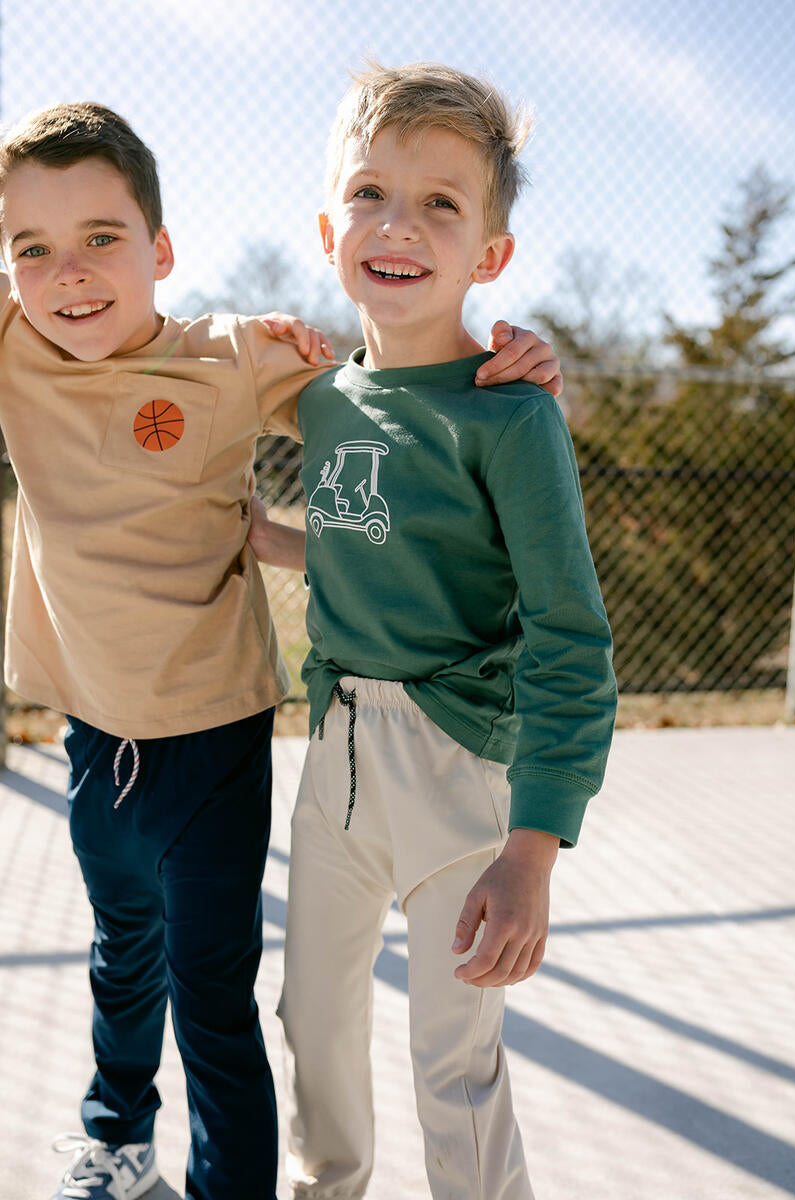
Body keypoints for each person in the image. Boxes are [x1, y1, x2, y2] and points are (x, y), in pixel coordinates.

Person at [0, 102, 562, 1200]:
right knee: (121, 958)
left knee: (214, 994)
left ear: (160, 251)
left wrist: (526, 375)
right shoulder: (17, 350)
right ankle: (115, 1142)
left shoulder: (234, 359)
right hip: (89, 736)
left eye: (103, 238)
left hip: (212, 744)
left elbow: (392, 421)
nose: (69, 273)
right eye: (33, 248)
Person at [249, 63, 617, 1199]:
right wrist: (270, 540)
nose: (396, 225)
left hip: (458, 762)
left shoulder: (511, 413)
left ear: (488, 256)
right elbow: (381, 551)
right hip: (333, 758)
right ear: (327, 228)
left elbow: (570, 638)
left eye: (440, 204)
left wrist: (532, 849)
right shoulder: (315, 397)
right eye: (369, 193)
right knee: (310, 1018)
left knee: (450, 1058)